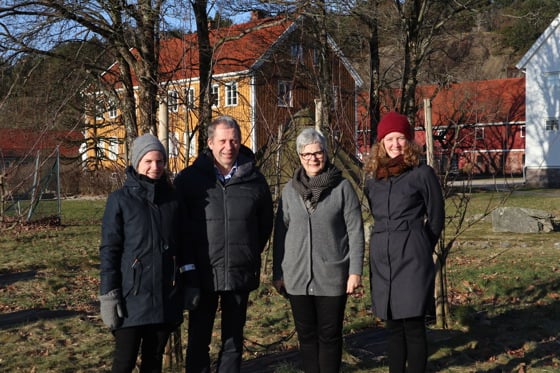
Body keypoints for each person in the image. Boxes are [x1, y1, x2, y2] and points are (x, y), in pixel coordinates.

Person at [174, 115, 274, 373]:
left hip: (240, 270)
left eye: (234, 140)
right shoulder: (190, 180)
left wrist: (249, 251)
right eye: (222, 141)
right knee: (198, 338)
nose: (228, 146)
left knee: (233, 340)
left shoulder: (255, 180)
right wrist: (188, 268)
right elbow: (180, 227)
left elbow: (264, 224)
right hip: (202, 271)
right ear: (210, 142)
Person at [272, 127, 365, 373]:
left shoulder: (342, 188)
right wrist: (277, 273)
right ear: (300, 157)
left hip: (333, 275)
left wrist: (355, 271)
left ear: (326, 153)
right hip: (296, 276)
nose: (313, 158)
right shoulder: (289, 191)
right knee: (307, 338)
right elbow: (280, 234)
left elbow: (356, 231)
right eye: (307, 154)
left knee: (330, 335)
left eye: (318, 152)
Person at [99, 133, 188, 373]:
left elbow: (183, 246)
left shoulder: (173, 201)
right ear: (137, 162)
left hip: (164, 296)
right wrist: (108, 294)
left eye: (159, 161)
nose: (154, 167)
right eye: (148, 161)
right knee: (123, 362)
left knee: (153, 361)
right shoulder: (119, 200)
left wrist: (188, 284)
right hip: (131, 297)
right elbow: (109, 250)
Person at [363, 112, 445, 373]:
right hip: (382, 258)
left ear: (409, 141)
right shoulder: (373, 178)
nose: (395, 144)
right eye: (389, 138)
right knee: (393, 326)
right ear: (381, 142)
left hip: (412, 255)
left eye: (400, 138)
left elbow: (436, 217)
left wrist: (421, 244)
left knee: (413, 324)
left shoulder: (422, 173)